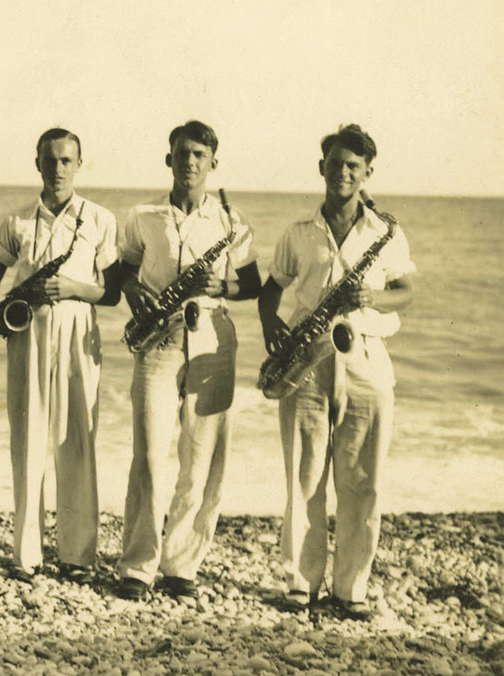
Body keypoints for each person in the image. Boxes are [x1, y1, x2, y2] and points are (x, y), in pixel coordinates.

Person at [258, 124, 416, 619]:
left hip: (366, 358)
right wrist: (274, 333)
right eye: (335, 163)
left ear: (367, 172)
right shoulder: (297, 232)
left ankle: (351, 590)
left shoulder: (386, 232)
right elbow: (269, 292)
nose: (343, 173)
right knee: (304, 479)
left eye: (354, 166)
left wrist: (370, 296)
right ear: (321, 167)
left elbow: (407, 292)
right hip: (308, 361)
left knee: (362, 479)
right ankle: (300, 585)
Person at [115, 120, 260, 601]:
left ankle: (182, 564)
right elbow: (122, 273)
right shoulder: (143, 216)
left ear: (213, 162)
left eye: (199, 154)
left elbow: (253, 285)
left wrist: (223, 287)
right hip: (158, 333)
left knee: (201, 457)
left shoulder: (232, 222)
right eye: (182, 153)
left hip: (212, 333)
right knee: (151, 455)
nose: (190, 161)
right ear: (169, 158)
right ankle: (138, 565)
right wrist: (138, 296)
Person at [0, 128, 119, 581]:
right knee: (27, 438)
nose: (58, 168)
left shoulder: (99, 218)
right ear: (37, 163)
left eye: (66, 160)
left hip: (78, 329)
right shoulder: (16, 221)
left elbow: (113, 293)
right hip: (28, 329)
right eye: (50, 160)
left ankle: (77, 556)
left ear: (79, 164)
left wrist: (75, 288)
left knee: (77, 437)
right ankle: (27, 555)